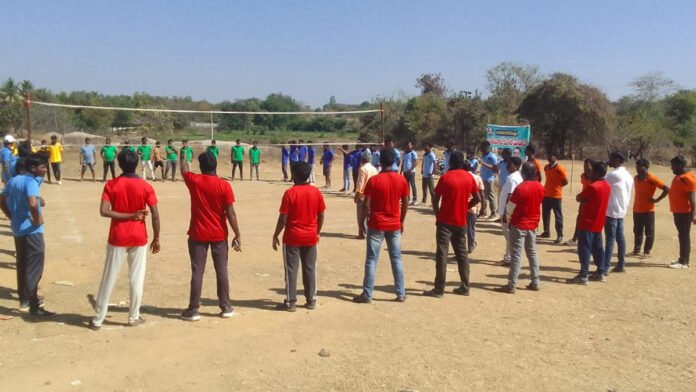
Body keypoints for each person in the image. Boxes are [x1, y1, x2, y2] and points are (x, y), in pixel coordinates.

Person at [89, 150, 160, 330]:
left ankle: (98, 319)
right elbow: (155, 215)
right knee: (136, 279)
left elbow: (104, 211)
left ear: (119, 164)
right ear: (136, 163)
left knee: (108, 278)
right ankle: (133, 317)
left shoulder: (112, 184)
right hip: (138, 237)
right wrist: (157, 237)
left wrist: (128, 215)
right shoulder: (145, 186)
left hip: (118, 236)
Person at [179, 151, 241, 321]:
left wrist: (182, 157)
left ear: (201, 167)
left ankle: (193, 309)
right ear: (215, 165)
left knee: (197, 271)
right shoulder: (224, 185)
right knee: (221, 270)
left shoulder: (195, 181)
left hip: (198, 233)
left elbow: (184, 171)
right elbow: (230, 212)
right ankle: (226, 306)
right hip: (219, 234)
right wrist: (237, 233)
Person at [0, 154, 53, 316]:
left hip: (17, 229)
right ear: (33, 168)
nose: (45, 170)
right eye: (43, 167)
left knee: (22, 263)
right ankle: (33, 303)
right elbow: (32, 202)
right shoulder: (31, 182)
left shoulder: (14, 180)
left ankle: (23, 299)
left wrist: (10, 215)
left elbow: (1, 199)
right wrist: (37, 219)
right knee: (35, 267)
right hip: (32, 231)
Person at [353, 149, 409, 304]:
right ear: (394, 162)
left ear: (381, 162)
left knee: (371, 260)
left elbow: (366, 204)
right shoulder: (401, 180)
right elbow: (405, 202)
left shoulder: (374, 181)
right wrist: (402, 220)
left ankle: (367, 294)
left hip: (376, 223)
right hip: (394, 224)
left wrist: (361, 223)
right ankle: (401, 293)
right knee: (396, 258)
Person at [423, 151, 480, 298]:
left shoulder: (446, 177)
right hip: (461, 221)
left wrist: (437, 215)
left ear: (451, 162)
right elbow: (478, 198)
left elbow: (435, 200)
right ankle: (465, 286)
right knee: (462, 255)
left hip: (445, 221)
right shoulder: (469, 177)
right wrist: (466, 206)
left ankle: (439, 289)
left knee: (442, 254)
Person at [272, 162, 325, 311]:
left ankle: (291, 301)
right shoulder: (316, 192)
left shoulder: (290, 193)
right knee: (310, 268)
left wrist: (276, 234)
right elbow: (321, 214)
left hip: (292, 237)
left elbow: (283, 218)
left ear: (294, 175)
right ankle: (311, 299)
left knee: (291, 269)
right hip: (310, 236)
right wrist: (317, 231)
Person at [494, 161, 545, 293]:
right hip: (533, 225)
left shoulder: (521, 188)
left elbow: (510, 208)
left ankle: (512, 285)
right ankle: (536, 281)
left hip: (519, 224)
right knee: (532, 253)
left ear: (524, 173)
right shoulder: (540, 187)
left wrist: (506, 216)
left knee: (516, 255)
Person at [567, 161, 610, 285]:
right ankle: (600, 272)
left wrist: (585, 201)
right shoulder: (607, 185)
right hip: (599, 221)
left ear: (596, 172)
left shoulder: (593, 186)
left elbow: (579, 197)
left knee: (584, 248)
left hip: (587, 221)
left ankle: (583, 275)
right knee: (598, 248)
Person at [603, 151, 634, 274]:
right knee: (620, 239)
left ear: (616, 160)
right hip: (621, 210)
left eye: (610, 159)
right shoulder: (628, 175)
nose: (609, 161)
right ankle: (621, 264)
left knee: (610, 240)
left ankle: (604, 267)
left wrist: (603, 167)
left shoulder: (614, 175)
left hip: (612, 211)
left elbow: (598, 180)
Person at [631, 158, 668, 259]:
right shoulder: (636, 178)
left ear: (645, 167)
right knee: (637, 231)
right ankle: (636, 250)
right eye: (636, 166)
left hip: (648, 210)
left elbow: (666, 189)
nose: (637, 168)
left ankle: (647, 251)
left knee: (649, 232)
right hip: (637, 209)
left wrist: (657, 200)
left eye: (639, 166)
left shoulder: (652, 178)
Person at [667, 155, 696, 269]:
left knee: (684, 236)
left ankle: (684, 261)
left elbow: (693, 199)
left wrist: (694, 215)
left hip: (685, 213)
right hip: (678, 212)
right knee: (682, 235)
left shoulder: (687, 178)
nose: (671, 168)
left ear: (680, 165)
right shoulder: (680, 176)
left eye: (673, 166)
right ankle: (682, 258)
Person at [498, 157, 524, 265]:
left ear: (516, 166)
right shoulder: (516, 177)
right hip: (511, 211)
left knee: (509, 236)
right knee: (510, 237)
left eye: (510, 164)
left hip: (508, 212)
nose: (508, 166)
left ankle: (511, 259)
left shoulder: (512, 179)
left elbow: (510, 196)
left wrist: (506, 213)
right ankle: (508, 257)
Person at [564, 159, 594, 246]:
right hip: (583, 201)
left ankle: (588, 241)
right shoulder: (583, 176)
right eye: (584, 166)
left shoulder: (595, 178)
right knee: (579, 219)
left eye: (587, 166)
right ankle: (575, 238)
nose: (585, 168)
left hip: (591, 202)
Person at [541, 150, 568, 243]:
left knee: (558, 216)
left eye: (550, 157)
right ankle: (546, 231)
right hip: (546, 194)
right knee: (545, 214)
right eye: (547, 157)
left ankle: (559, 235)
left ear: (555, 157)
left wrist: (557, 187)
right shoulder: (546, 167)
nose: (548, 159)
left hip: (556, 196)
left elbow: (565, 182)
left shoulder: (560, 168)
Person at [354, 151, 378, 239]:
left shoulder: (362, 169)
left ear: (363, 159)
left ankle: (362, 233)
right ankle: (369, 232)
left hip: (363, 195)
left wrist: (356, 195)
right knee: (369, 215)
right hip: (372, 195)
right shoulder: (374, 169)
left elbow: (360, 184)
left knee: (361, 216)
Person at [465, 159, 485, 254]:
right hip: (472, 207)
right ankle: (470, 245)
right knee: (471, 228)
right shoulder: (477, 178)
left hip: (462, 206)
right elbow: (482, 194)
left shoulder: (461, 177)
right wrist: (483, 208)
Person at [479, 141, 498, 219]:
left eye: (482, 147)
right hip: (483, 178)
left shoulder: (492, 157)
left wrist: (483, 164)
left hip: (489, 179)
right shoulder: (483, 156)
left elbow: (495, 168)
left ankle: (493, 213)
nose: (481, 149)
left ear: (487, 148)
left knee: (491, 196)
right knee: (483, 196)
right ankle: (484, 212)